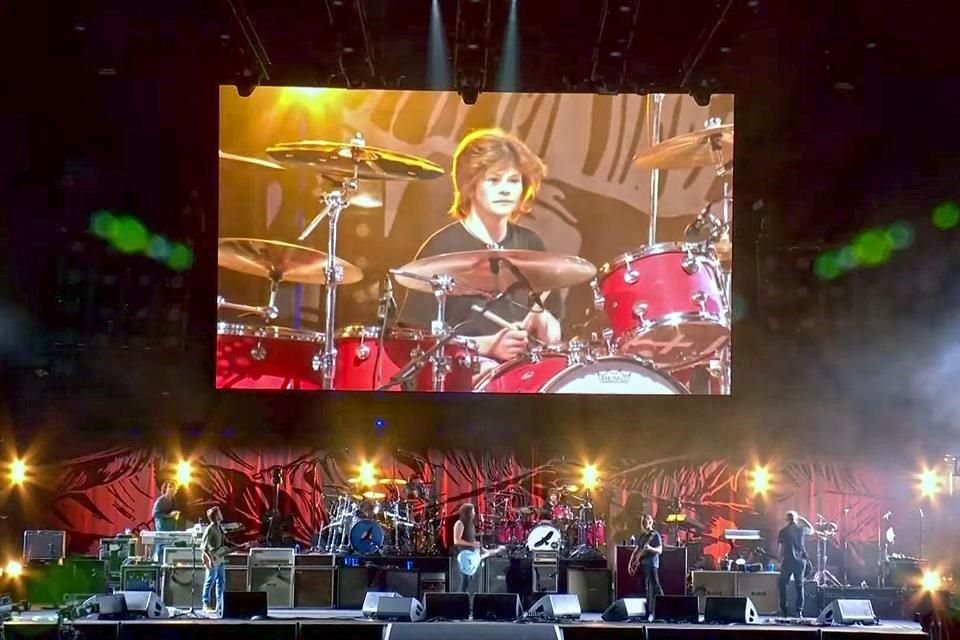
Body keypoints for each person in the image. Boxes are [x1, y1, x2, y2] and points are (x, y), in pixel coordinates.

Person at [398, 128, 563, 362]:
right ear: (470, 185)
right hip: (464, 378)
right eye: (494, 179)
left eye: (514, 180)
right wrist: (487, 346)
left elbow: (555, 335)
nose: (505, 189)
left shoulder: (531, 245)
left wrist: (544, 322)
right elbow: (414, 341)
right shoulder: (443, 247)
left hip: (523, 374)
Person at [777, 510, 814, 617]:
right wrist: (803, 519)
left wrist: (779, 559)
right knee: (799, 585)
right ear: (796, 519)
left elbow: (781, 548)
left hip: (788, 561)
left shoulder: (783, 531)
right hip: (800, 561)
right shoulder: (801, 529)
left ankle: (784, 610)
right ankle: (799, 611)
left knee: (782, 584)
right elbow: (812, 530)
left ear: (786, 520)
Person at [628, 514, 664, 615]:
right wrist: (631, 563)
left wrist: (650, 548)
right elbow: (636, 550)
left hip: (652, 564)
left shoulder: (655, 535)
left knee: (655, 586)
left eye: (646, 521)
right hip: (642, 565)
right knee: (643, 588)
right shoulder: (642, 536)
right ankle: (646, 612)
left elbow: (660, 550)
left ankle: (663, 608)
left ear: (650, 522)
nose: (644, 524)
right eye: (642, 522)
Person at [201, 506, 228, 616]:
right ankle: (205, 604)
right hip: (212, 559)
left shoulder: (219, 528)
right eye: (220, 513)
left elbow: (225, 543)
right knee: (210, 581)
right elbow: (203, 547)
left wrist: (241, 546)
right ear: (216, 516)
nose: (221, 514)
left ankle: (219, 605)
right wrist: (210, 559)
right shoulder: (210, 529)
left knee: (221, 582)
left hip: (220, 559)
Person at [452, 503, 481, 593]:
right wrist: (472, 544)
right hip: (463, 557)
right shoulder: (459, 524)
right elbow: (457, 541)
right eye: (473, 511)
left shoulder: (470, 525)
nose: (474, 513)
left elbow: (469, 538)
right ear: (468, 513)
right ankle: (458, 602)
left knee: (468, 584)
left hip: (470, 558)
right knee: (463, 584)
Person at [151, 481, 180, 562]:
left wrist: (175, 514)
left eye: (173, 487)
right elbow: (155, 514)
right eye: (170, 487)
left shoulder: (174, 500)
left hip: (171, 528)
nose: (172, 489)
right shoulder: (160, 501)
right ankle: (158, 564)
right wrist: (168, 516)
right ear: (165, 489)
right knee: (161, 547)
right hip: (162, 528)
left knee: (169, 548)